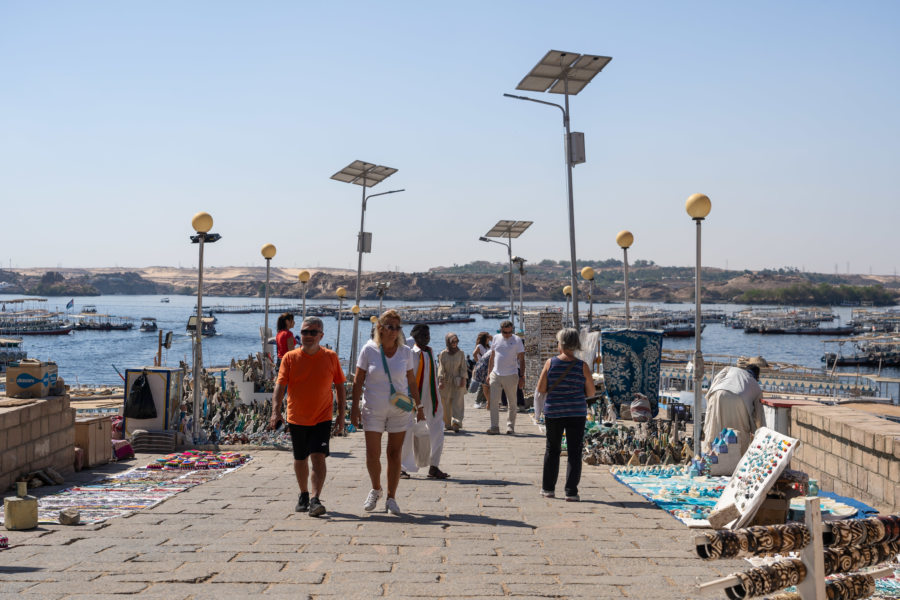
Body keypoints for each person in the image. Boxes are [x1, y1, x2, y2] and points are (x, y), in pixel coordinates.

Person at [268, 316, 345, 517]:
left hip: (322, 416)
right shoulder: (290, 358)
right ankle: (303, 494)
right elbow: (280, 386)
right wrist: (276, 411)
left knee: (318, 457)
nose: (308, 336)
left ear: (321, 335)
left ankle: (315, 498)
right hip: (296, 417)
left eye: (313, 332)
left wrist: (342, 415)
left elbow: (339, 385)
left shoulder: (331, 357)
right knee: (300, 458)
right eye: (304, 332)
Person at [351, 309, 423, 515]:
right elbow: (358, 381)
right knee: (372, 453)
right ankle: (376, 489)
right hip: (373, 408)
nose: (395, 331)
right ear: (380, 328)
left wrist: (420, 408)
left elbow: (411, 381)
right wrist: (354, 411)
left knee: (394, 453)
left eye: (398, 327)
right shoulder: (369, 350)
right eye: (390, 327)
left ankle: (392, 497)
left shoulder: (406, 352)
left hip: (399, 409)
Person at [536, 328, 595, 502]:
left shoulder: (550, 363)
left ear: (561, 344)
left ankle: (548, 489)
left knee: (552, 449)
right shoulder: (581, 366)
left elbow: (541, 389)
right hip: (576, 412)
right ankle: (571, 492)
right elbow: (591, 392)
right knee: (574, 452)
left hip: (554, 411)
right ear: (576, 344)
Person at [401, 324, 449, 479]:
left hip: (431, 398)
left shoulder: (430, 351)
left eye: (428, 334)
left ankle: (434, 466)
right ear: (415, 336)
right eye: (423, 334)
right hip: (412, 397)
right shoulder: (408, 351)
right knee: (407, 431)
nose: (427, 337)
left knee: (438, 428)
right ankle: (402, 467)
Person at [701, 355, 767, 455]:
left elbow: (716, 380)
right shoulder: (755, 385)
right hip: (739, 399)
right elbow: (759, 414)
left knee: (715, 428)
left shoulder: (730, 369)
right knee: (739, 434)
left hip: (718, 393)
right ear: (757, 377)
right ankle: (735, 462)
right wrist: (760, 433)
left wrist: (710, 397)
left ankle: (711, 460)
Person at [487, 320, 525, 434]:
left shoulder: (517, 340)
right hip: (496, 374)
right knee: (493, 401)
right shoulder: (496, 338)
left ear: (512, 330)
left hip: (511, 374)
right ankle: (494, 427)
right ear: (501, 330)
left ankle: (510, 426)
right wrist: (489, 373)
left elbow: (522, 359)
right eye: (505, 332)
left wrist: (522, 376)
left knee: (512, 402)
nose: (507, 335)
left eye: (509, 332)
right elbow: (492, 356)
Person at [438, 332, 467, 432]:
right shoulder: (443, 353)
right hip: (446, 381)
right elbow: (440, 367)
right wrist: (440, 380)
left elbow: (463, 368)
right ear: (448, 342)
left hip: (458, 381)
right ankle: (447, 423)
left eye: (456, 341)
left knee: (458, 402)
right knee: (445, 403)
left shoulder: (461, 353)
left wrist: (463, 379)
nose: (455, 343)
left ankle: (456, 422)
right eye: (452, 341)